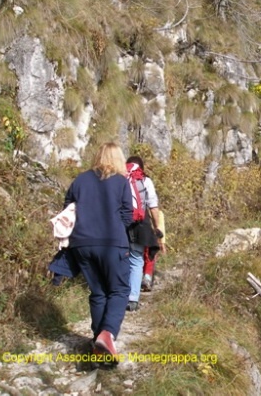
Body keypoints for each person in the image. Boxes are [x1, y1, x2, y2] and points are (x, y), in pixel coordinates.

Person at [63, 142, 133, 361]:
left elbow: (68, 209)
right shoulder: (121, 181)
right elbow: (128, 215)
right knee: (119, 290)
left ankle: (98, 344)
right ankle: (107, 334)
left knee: (98, 292)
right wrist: (115, 227)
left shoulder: (80, 180)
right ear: (118, 159)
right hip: (112, 242)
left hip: (81, 244)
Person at [125, 156, 160, 311]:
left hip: (120, 224)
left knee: (120, 258)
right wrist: (157, 227)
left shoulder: (119, 177)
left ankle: (117, 294)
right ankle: (133, 299)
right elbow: (153, 206)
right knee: (136, 260)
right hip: (140, 225)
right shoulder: (145, 180)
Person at [141, 210, 166, 291]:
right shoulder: (158, 212)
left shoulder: (141, 209)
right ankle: (147, 279)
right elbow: (161, 228)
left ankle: (142, 279)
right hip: (152, 239)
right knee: (150, 259)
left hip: (141, 238)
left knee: (142, 258)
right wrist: (162, 243)